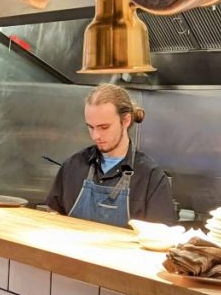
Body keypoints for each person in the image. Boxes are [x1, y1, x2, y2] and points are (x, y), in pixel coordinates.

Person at [46, 83, 177, 227]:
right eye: (91, 127)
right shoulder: (72, 166)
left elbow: (161, 236)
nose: (96, 136)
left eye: (104, 127)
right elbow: (53, 216)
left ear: (126, 120)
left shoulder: (150, 177)